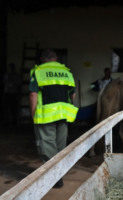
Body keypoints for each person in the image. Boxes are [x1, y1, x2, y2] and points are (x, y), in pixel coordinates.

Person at [28, 49, 78, 188]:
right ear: (56, 58)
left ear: (42, 59)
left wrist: (33, 114)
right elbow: (72, 94)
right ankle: (58, 173)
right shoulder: (67, 72)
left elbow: (33, 94)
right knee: (60, 146)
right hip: (63, 114)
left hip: (46, 115)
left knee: (47, 145)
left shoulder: (38, 71)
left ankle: (55, 177)